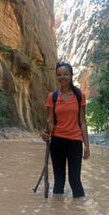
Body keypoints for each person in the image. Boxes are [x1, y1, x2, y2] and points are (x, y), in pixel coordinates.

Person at [42, 61, 90, 198]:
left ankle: (79, 212)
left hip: (75, 141)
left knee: (74, 180)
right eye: (59, 74)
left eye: (65, 74)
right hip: (57, 142)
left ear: (71, 75)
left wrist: (86, 145)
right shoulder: (53, 97)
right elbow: (50, 121)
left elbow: (83, 122)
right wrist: (47, 134)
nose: (62, 77)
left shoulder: (80, 95)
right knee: (59, 181)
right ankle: (57, 212)